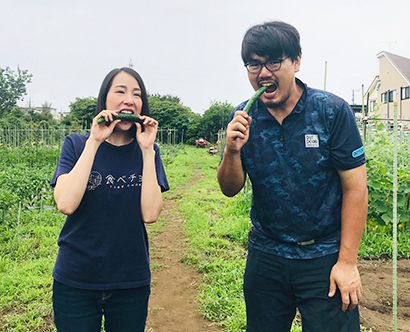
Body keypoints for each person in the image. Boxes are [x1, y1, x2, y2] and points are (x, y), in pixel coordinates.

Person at [217, 21, 368, 332]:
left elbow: (355, 188)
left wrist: (347, 262)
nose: (263, 73)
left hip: (324, 256)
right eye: (254, 64)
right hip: (266, 255)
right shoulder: (243, 116)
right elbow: (230, 189)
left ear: (296, 61)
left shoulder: (330, 112)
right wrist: (231, 152)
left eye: (274, 61)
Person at [50, 67, 169, 332]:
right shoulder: (77, 144)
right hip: (75, 281)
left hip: (131, 281)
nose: (130, 100)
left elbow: (150, 214)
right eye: (121, 91)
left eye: (136, 94)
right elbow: (66, 203)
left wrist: (147, 150)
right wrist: (95, 141)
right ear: (105, 99)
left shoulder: (148, 151)